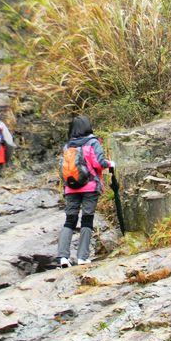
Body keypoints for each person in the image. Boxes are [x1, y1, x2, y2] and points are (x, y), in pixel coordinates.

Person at [57, 115, 114, 268]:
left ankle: (63, 257)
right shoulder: (92, 142)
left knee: (69, 220)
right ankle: (82, 257)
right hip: (89, 187)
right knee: (87, 220)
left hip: (71, 188)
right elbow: (99, 163)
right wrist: (110, 163)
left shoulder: (67, 146)